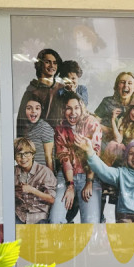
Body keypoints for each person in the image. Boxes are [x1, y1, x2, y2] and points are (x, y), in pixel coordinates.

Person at [48, 92, 103, 224]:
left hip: (89, 175)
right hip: (66, 177)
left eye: (76, 108)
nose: (73, 112)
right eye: (68, 108)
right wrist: (70, 185)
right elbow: (65, 158)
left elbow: (94, 154)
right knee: (55, 220)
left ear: (81, 107)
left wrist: (89, 182)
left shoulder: (91, 123)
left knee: (91, 222)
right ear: (63, 110)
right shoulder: (60, 128)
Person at [78, 138, 134, 223]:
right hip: (124, 215)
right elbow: (103, 169)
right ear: (126, 157)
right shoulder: (121, 173)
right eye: (131, 153)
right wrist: (89, 151)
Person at [16, 48, 63, 135]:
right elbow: (22, 122)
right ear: (40, 64)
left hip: (60, 137)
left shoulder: (62, 89)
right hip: (38, 138)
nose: (52, 66)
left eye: (55, 63)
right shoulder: (32, 91)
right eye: (47, 62)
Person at [93, 72, 134, 140]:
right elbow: (94, 122)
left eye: (130, 83)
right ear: (117, 86)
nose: (126, 85)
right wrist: (110, 131)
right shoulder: (107, 101)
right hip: (105, 139)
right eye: (122, 82)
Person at [14, 138, 56, 224]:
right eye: (19, 154)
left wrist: (32, 190)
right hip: (20, 215)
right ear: (14, 157)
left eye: (27, 153)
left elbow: (52, 199)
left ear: (33, 154)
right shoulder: (13, 172)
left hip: (39, 217)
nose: (23, 157)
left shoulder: (44, 172)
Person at [18, 94, 55, 171]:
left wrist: (50, 176)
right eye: (29, 108)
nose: (33, 111)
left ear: (41, 110)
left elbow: (49, 157)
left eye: (37, 108)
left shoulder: (44, 127)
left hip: (41, 173)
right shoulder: (25, 127)